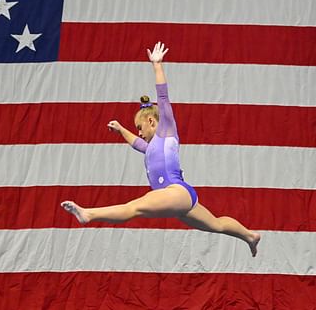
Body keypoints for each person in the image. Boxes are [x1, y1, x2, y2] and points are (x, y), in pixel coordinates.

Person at [61, 42, 261, 257]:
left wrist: (157, 65)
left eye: (140, 128)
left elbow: (163, 98)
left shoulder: (166, 131)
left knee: (134, 207)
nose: (139, 133)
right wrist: (121, 130)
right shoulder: (152, 147)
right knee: (217, 225)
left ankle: (89, 214)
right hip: (181, 197)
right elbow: (138, 145)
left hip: (176, 192)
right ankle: (250, 236)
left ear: (151, 121)